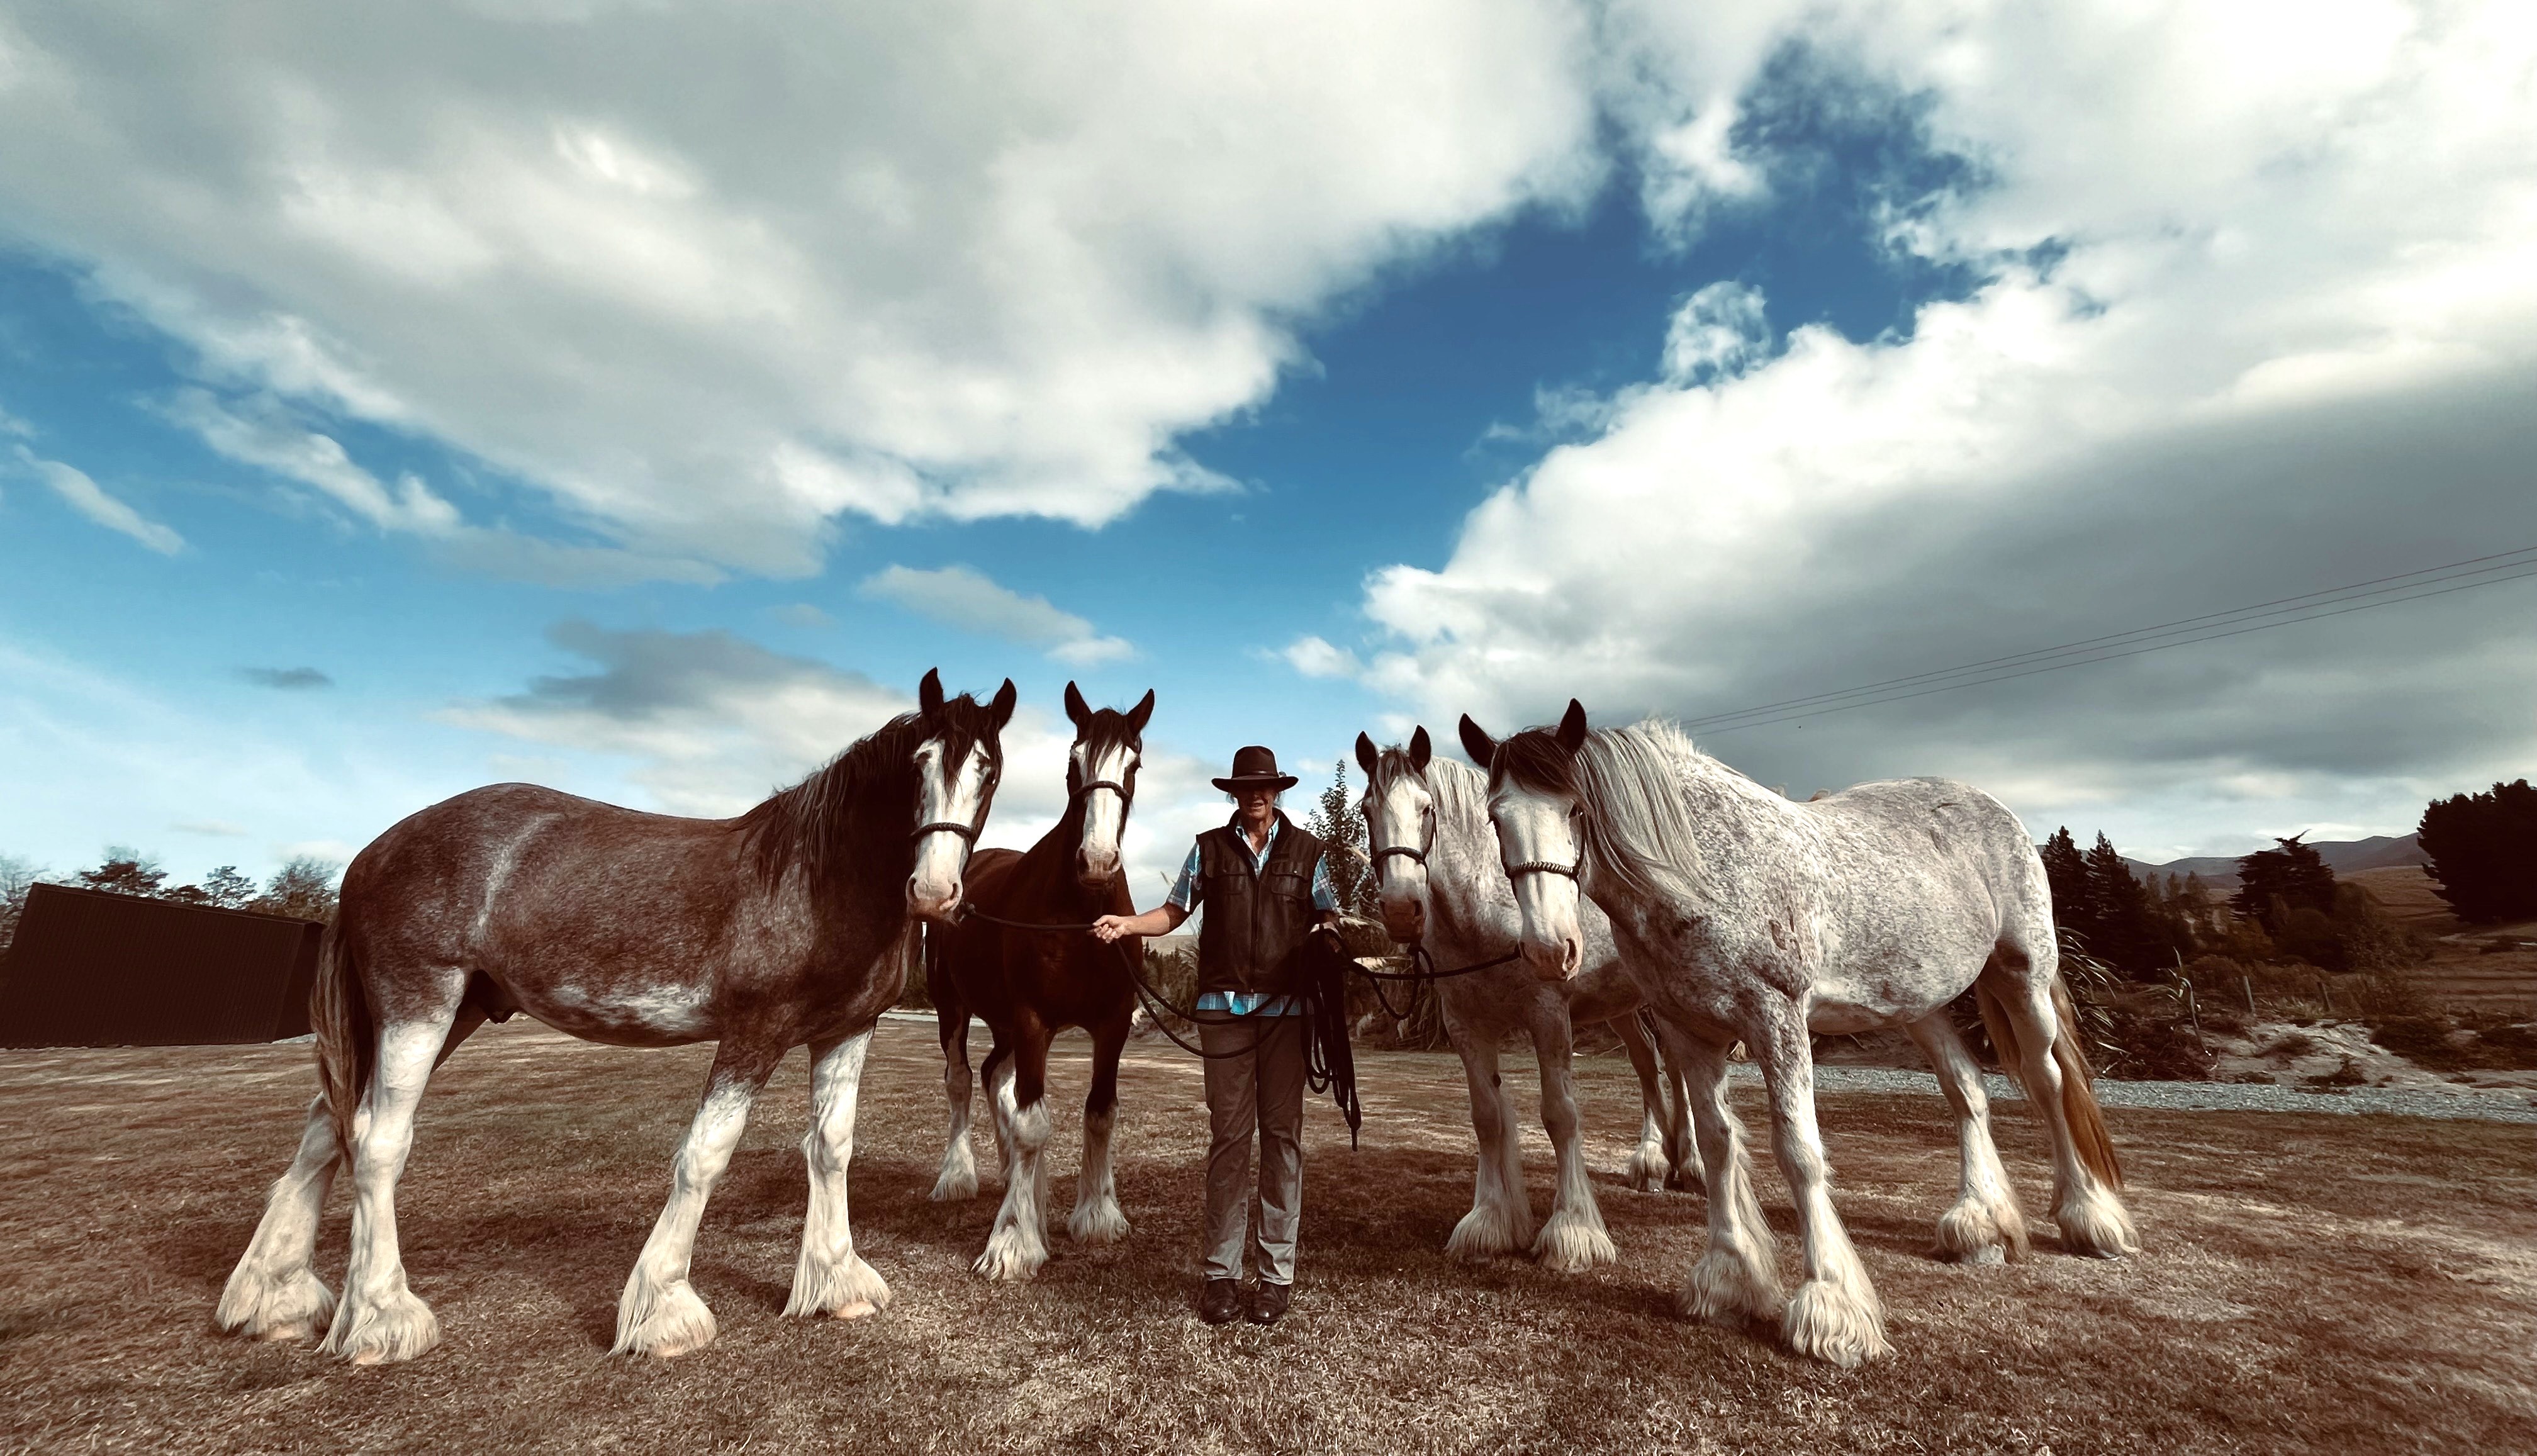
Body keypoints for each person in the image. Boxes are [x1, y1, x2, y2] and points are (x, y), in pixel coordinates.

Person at [1091, 744, 1339, 1325]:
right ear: (1233, 793)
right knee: (1230, 1140)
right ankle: (1222, 1276)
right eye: (1246, 787)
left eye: (1266, 786)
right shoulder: (1208, 849)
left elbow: (1329, 914)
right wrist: (1128, 922)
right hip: (1223, 1012)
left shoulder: (1309, 853)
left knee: (1283, 1140)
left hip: (1287, 1015)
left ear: (1278, 791)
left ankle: (1275, 1278)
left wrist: (1326, 934)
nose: (1256, 795)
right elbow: (1175, 913)